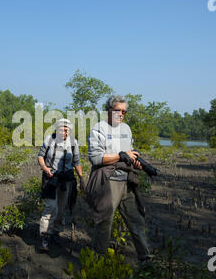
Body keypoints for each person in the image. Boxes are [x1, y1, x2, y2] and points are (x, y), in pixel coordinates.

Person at [86, 95, 153, 265]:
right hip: (109, 181)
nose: (121, 114)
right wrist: (121, 156)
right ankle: (97, 262)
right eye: (118, 110)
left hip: (127, 181)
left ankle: (146, 260)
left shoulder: (126, 129)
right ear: (109, 110)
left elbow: (128, 154)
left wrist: (135, 163)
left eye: (124, 111)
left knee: (136, 221)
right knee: (104, 222)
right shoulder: (99, 128)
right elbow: (95, 158)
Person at [37, 118, 85, 253]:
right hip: (51, 178)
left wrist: (81, 178)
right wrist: (45, 168)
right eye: (61, 129)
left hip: (66, 179)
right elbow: (40, 156)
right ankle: (45, 236)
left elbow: (77, 161)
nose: (64, 132)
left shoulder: (73, 142)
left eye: (66, 130)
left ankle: (55, 233)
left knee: (61, 208)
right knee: (50, 207)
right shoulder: (49, 139)